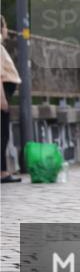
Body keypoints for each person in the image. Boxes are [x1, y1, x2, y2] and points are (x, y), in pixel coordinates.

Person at [1, 16, 22, 183]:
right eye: (5, 26)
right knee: (2, 135)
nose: (7, 29)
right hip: (2, 96)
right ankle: (2, 172)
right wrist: (2, 99)